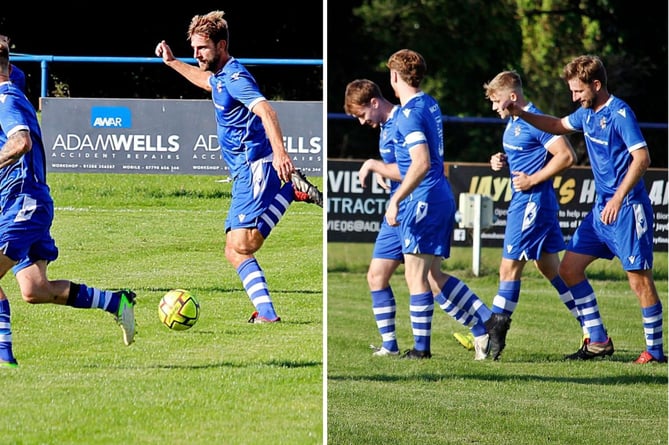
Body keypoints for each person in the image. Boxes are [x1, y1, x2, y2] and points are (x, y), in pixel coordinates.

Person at [155, 10, 322, 323]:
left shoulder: (235, 77)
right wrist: (174, 62)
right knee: (237, 248)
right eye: (193, 48)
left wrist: (281, 155)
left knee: (242, 246)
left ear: (221, 45)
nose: (197, 54)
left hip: (253, 166)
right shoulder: (219, 77)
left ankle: (287, 193)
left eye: (201, 48)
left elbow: (267, 111)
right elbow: (206, 82)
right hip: (245, 171)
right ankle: (288, 194)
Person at [502, 55, 666, 364]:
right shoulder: (585, 113)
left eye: (578, 92)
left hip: (627, 209)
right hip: (600, 212)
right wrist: (520, 113)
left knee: (639, 280)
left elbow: (642, 159)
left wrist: (618, 198)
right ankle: (599, 341)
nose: (574, 98)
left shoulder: (619, 114)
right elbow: (554, 125)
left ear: (596, 84)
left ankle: (655, 352)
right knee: (569, 269)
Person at [0, 40, 136, 368]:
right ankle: (116, 303)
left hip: (23, 203)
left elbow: (21, 142)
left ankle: (5, 361)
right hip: (26, 203)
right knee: (35, 289)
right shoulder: (11, 85)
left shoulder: (6, 99)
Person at [344, 78, 495, 360]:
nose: (362, 122)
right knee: (377, 276)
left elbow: (417, 167)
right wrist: (383, 172)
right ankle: (390, 345)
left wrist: (374, 166)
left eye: (362, 115)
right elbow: (403, 167)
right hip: (398, 207)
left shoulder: (404, 118)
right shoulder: (392, 123)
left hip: (414, 203)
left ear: (374, 103)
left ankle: (478, 326)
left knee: (427, 278)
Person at [382, 49, 508, 359]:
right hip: (438, 194)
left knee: (415, 276)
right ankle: (488, 322)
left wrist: (396, 198)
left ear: (395, 76)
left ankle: (423, 349)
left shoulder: (409, 113)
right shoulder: (429, 103)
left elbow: (421, 162)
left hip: (422, 197)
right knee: (433, 276)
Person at [477, 70, 587, 360]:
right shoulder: (515, 121)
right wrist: (500, 160)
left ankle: (494, 334)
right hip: (534, 201)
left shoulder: (535, 121)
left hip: (531, 202)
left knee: (508, 269)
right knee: (551, 269)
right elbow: (525, 154)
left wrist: (533, 179)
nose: (493, 106)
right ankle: (592, 330)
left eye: (496, 100)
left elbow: (566, 156)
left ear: (512, 97)